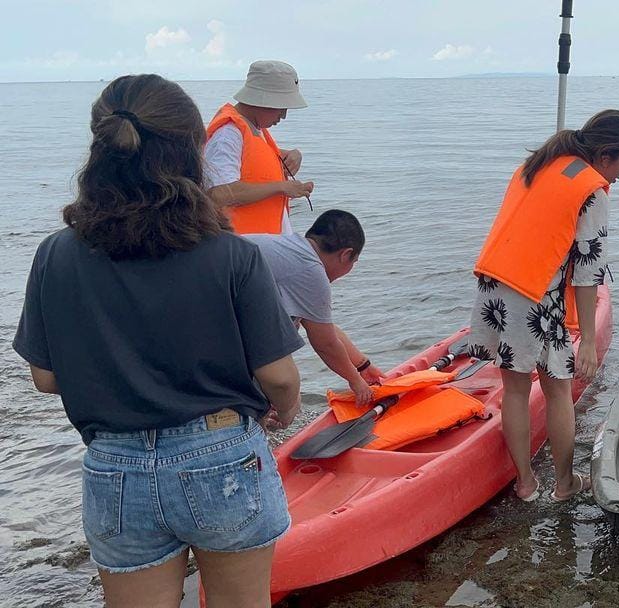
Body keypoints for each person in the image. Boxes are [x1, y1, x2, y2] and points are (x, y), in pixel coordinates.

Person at [12, 74, 304, 607]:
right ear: (191, 151)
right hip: (222, 456)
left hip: (114, 466)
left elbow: (46, 377)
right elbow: (279, 377)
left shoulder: (56, 254)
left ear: (101, 147)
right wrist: (283, 412)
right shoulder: (232, 254)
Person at [468, 109, 619, 502]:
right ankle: (564, 484)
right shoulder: (591, 191)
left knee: (514, 389)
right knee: (559, 389)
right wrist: (589, 342)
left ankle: (526, 483)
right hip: (534, 295)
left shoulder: (538, 164)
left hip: (496, 282)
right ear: (606, 154)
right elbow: (588, 274)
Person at [246, 210, 384, 405]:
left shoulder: (290, 248)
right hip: (217, 335)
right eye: (354, 262)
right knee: (286, 396)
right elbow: (325, 343)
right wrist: (356, 382)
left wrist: (363, 366)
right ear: (346, 254)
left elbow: (322, 327)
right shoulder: (310, 270)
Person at [205, 60, 314, 235]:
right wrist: (282, 187)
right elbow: (219, 194)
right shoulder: (227, 134)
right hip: (241, 244)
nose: (283, 115)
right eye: (281, 107)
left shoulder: (253, 128)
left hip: (262, 242)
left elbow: (259, 157)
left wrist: (294, 154)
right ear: (262, 99)